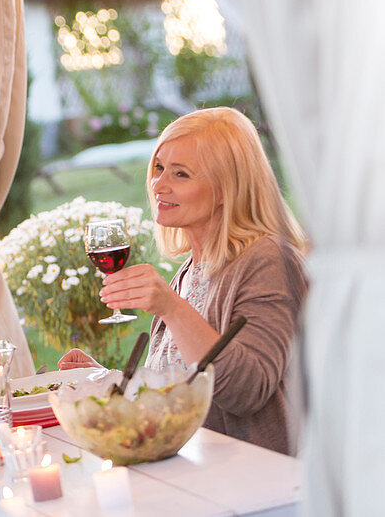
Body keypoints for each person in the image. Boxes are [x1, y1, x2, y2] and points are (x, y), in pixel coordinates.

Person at [59, 107, 308, 455]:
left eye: (181, 174)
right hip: (194, 468)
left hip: (255, 478)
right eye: (159, 168)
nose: (159, 185)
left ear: (227, 188)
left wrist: (172, 308)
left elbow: (247, 391)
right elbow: (177, 389)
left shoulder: (268, 261)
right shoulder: (191, 269)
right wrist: (106, 380)